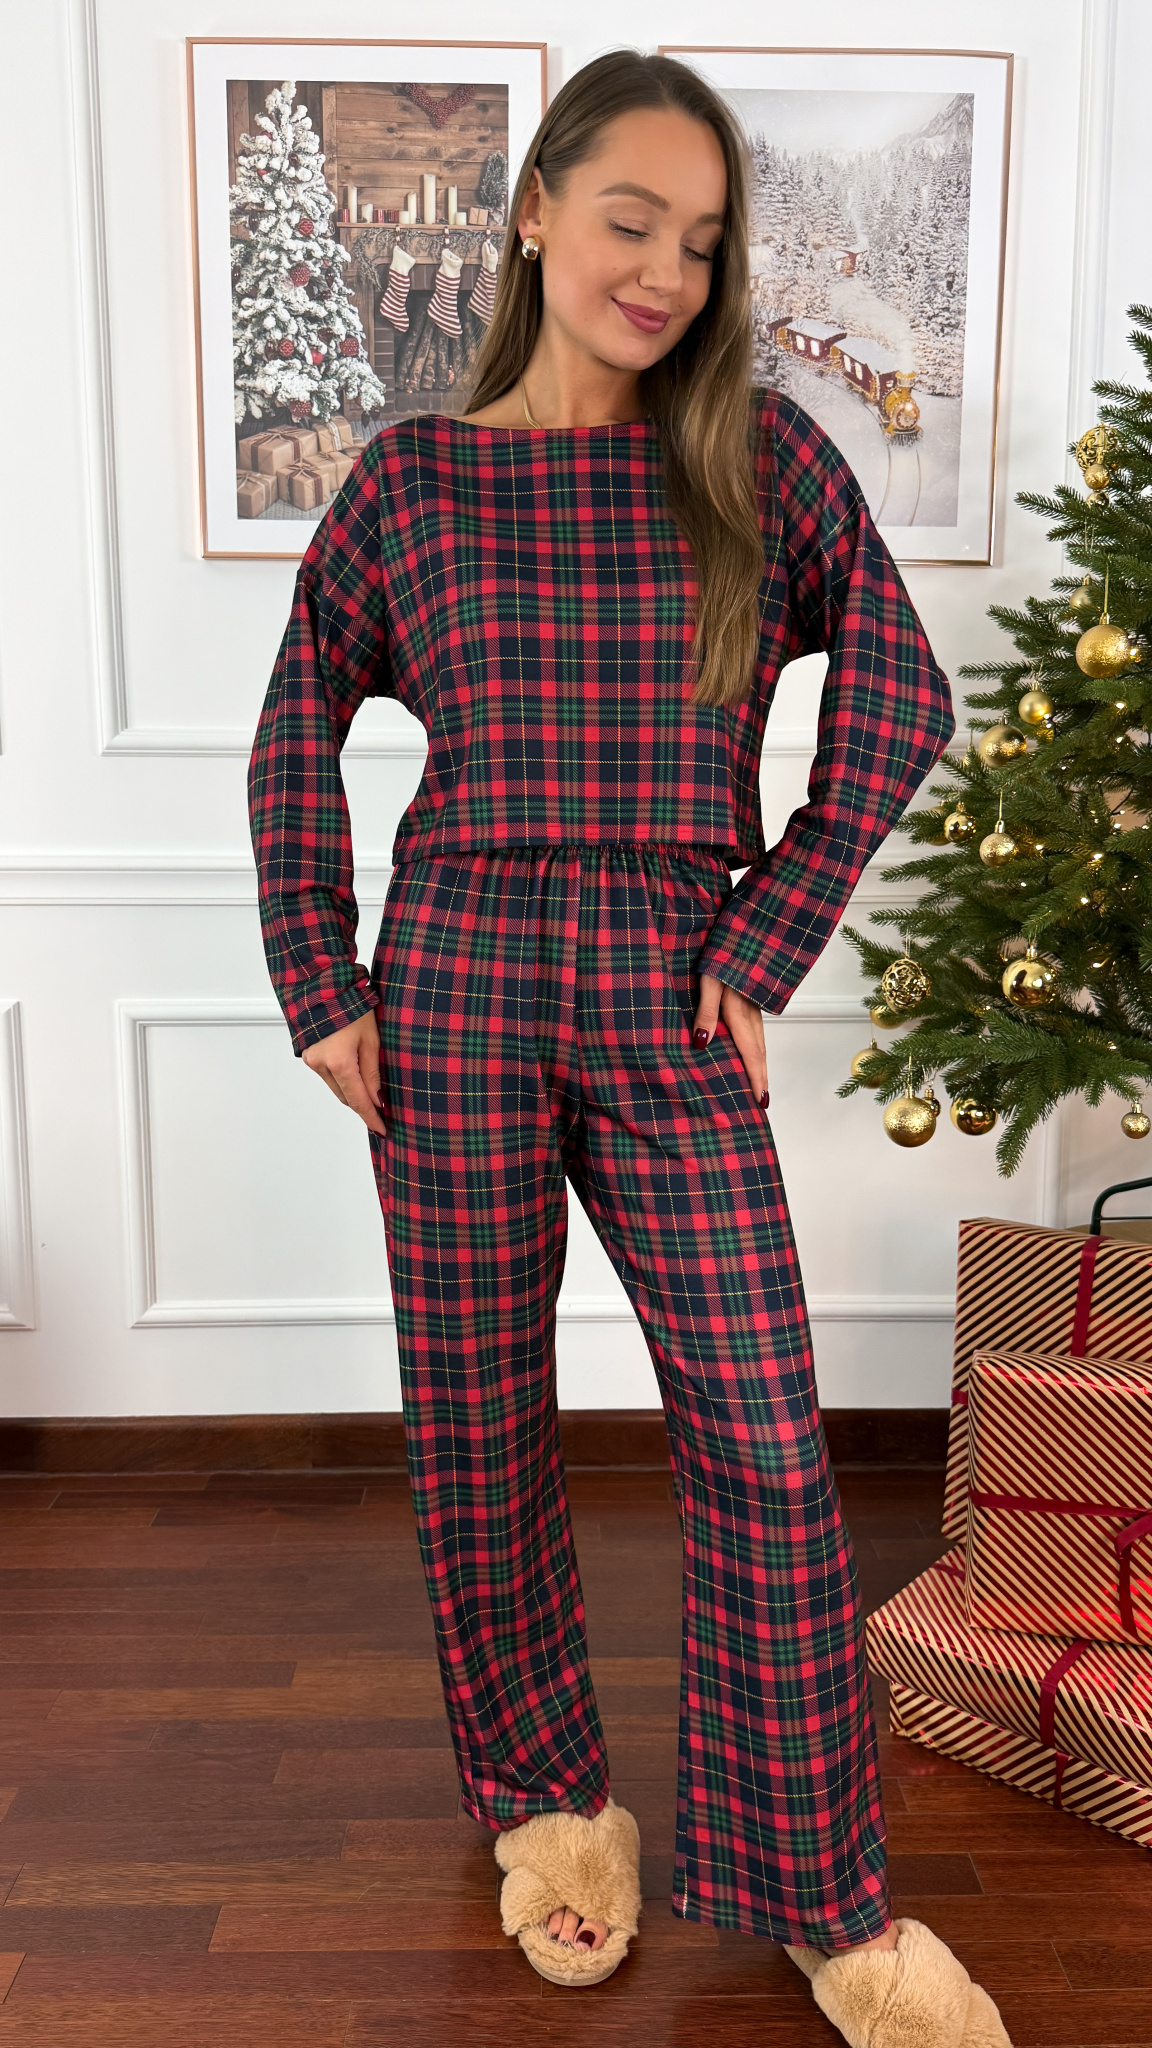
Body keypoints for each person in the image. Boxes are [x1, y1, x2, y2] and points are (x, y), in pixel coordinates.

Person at [249, 48, 1010, 2045]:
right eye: (628, 220)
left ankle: (826, 1896)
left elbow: (901, 698)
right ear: (533, 215)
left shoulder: (759, 460)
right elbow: (293, 729)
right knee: (481, 1417)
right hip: (461, 973)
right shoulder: (412, 483)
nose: (665, 270)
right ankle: (548, 1809)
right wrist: (322, 979)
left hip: (676, 967)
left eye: (702, 240)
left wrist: (771, 924)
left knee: (759, 1433)